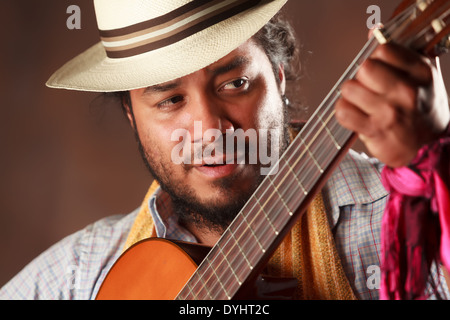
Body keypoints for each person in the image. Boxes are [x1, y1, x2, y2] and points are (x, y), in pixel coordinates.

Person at [1, 0, 449, 300]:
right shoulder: (84, 275)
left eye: (235, 84)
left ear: (277, 76)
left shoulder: (403, 216)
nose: (210, 129)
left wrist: (436, 157)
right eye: (170, 100)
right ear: (131, 115)